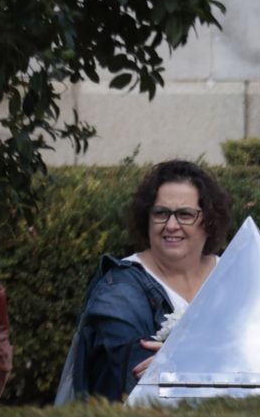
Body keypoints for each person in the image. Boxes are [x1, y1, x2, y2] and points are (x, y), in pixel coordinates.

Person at [55, 159, 230, 403]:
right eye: (160, 213)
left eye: (185, 214)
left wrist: (187, 360)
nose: (171, 225)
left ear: (208, 220)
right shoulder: (118, 291)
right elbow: (135, 380)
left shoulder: (232, 275)